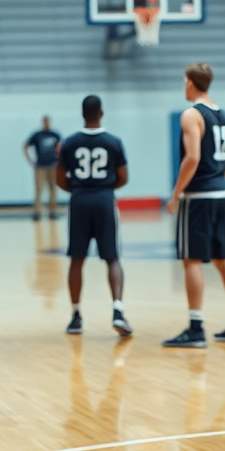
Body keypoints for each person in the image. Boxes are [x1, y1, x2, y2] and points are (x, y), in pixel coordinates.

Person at [164, 63, 225, 348]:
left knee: (191, 260)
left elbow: (192, 158)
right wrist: (218, 181)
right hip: (220, 193)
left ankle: (196, 326)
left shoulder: (191, 114)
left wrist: (177, 193)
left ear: (189, 82)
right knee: (223, 259)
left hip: (199, 195)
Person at [57, 95, 132, 337]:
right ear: (101, 113)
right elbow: (123, 177)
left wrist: (79, 189)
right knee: (112, 258)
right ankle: (118, 310)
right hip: (104, 200)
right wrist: (103, 189)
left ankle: (76, 316)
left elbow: (60, 179)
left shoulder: (69, 143)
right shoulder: (114, 142)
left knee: (76, 258)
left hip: (79, 201)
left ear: (82, 114)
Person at [24, 116, 62, 220]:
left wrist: (60, 161)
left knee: (53, 189)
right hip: (40, 166)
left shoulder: (55, 135)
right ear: (42, 123)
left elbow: (61, 148)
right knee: (39, 189)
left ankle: (52, 211)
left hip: (52, 166)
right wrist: (30, 160)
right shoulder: (37, 135)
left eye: (48, 122)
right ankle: (37, 212)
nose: (47, 124)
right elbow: (25, 146)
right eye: (45, 122)